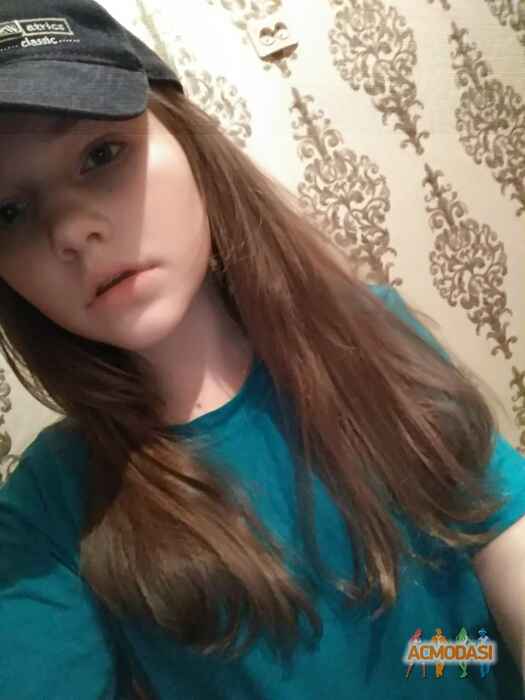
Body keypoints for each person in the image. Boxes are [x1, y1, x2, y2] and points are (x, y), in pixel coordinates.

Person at [0, 1, 523, 699]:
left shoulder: (368, 333)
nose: (70, 231)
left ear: (190, 143)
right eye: (7, 212)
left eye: (101, 155)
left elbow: (501, 534)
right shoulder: (52, 506)